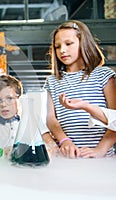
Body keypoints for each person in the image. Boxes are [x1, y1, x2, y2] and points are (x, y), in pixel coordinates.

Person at [44, 20, 116, 159]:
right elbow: (51, 118)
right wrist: (65, 140)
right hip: (68, 158)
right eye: (57, 47)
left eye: (68, 44)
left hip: (103, 159)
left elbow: (114, 118)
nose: (62, 50)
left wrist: (100, 150)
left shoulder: (104, 75)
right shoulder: (52, 81)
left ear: (83, 43)